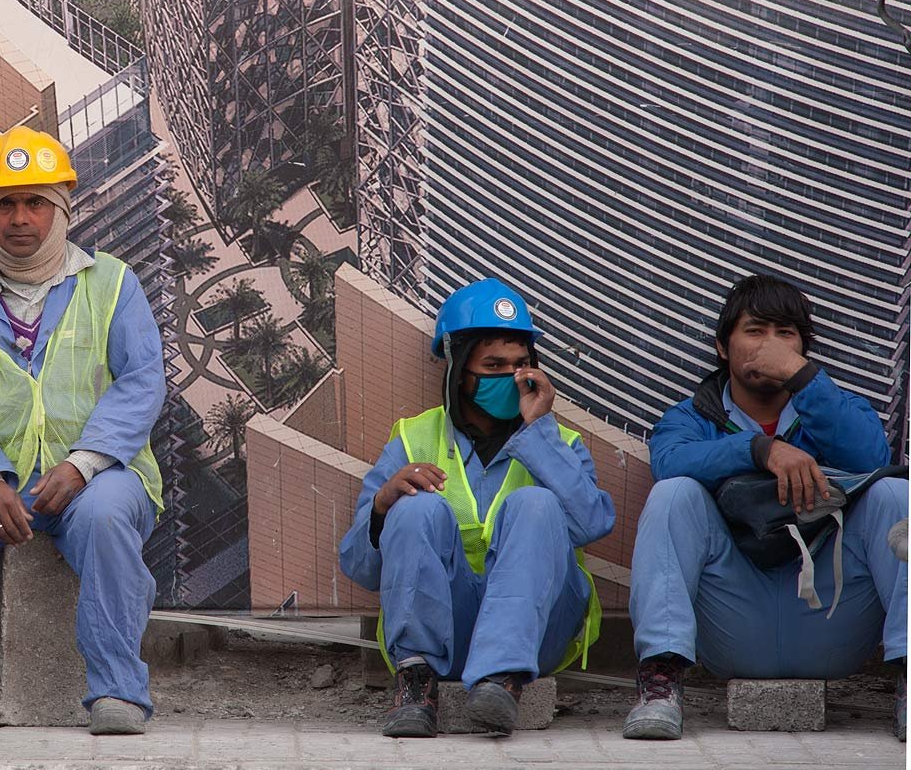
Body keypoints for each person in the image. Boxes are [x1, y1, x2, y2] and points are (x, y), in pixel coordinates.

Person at [0, 127, 165, 736]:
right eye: (5, 206)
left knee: (102, 519)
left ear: (62, 208)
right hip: (3, 492)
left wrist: (82, 465)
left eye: (36, 203)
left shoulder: (114, 286)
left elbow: (141, 384)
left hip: (104, 480)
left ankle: (118, 692)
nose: (20, 219)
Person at [624, 275, 906, 742]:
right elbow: (670, 460)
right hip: (733, 621)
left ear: (804, 349)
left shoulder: (834, 407)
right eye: (755, 331)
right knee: (674, 494)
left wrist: (803, 380)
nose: (770, 346)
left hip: (828, 617)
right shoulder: (691, 417)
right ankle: (659, 684)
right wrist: (759, 450)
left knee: (895, 496)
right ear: (721, 346)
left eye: (785, 334)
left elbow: (871, 457)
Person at [339, 278, 613, 738]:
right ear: (458, 367)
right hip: (448, 627)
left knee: (536, 502)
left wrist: (538, 431)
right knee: (413, 507)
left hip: (536, 634)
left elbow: (592, 523)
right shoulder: (412, 436)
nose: (510, 377)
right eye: (492, 365)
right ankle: (416, 683)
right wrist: (383, 506)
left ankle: (502, 679)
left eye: (520, 364)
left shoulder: (560, 441)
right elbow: (360, 568)